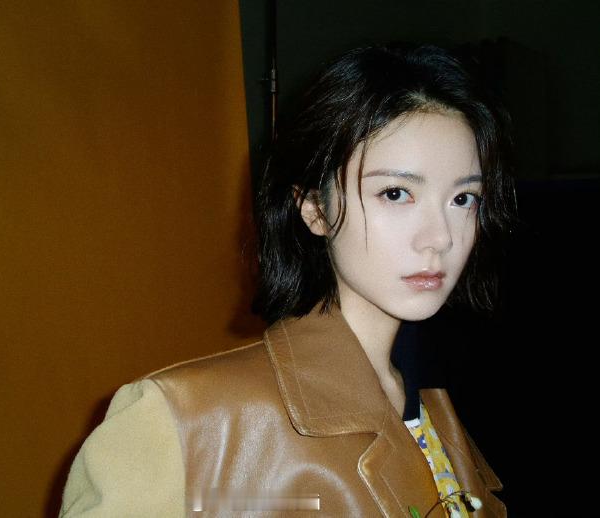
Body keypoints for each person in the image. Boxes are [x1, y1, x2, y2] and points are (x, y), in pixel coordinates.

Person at [58, 43, 517, 517]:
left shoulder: (440, 421)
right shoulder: (185, 424)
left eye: (463, 199)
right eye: (396, 193)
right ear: (315, 209)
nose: (440, 237)